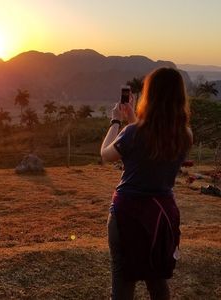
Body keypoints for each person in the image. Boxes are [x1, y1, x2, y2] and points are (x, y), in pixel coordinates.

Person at [100, 67, 192, 300]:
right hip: (161, 217)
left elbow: (106, 154)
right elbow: (151, 143)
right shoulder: (184, 134)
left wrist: (115, 120)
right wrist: (132, 118)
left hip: (127, 215)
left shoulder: (132, 133)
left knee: (123, 281)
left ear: (149, 95)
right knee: (157, 280)